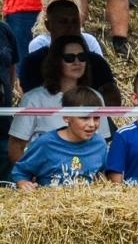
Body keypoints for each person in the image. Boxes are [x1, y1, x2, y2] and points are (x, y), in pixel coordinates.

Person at [8, 35, 111, 163]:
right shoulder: (33, 99)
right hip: (44, 177)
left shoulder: (96, 97)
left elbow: (103, 145)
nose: (77, 62)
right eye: (69, 58)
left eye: (82, 57)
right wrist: (28, 175)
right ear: (56, 62)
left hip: (85, 176)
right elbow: (15, 146)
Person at [10, 87, 106, 189]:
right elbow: (20, 171)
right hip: (50, 202)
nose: (92, 124)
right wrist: (23, 182)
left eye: (96, 118)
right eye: (84, 117)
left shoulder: (99, 144)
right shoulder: (45, 143)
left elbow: (104, 175)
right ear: (66, 117)